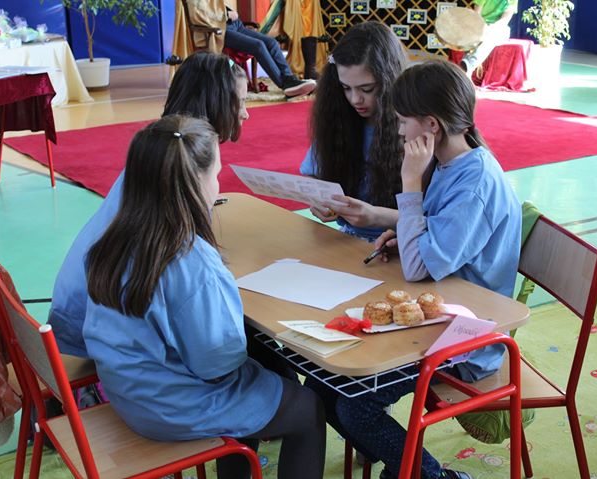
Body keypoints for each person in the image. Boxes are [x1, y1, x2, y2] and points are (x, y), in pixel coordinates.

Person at [83, 115, 326, 479]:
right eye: (216, 173)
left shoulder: (114, 239)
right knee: (307, 409)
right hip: (169, 407)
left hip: (127, 391)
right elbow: (217, 367)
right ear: (196, 182)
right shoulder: (190, 259)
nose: (218, 182)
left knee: (259, 375)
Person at [333, 60, 522, 479]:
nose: (399, 131)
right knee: (325, 386)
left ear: (431, 125)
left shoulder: (472, 182)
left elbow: (419, 269)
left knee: (353, 405)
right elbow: (435, 235)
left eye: (403, 121)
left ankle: (432, 476)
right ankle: (408, 469)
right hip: (438, 319)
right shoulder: (456, 162)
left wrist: (410, 182)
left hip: (466, 340)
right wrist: (402, 232)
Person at [49, 52, 249, 357]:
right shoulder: (182, 167)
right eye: (241, 102)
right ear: (218, 103)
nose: (246, 114)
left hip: (87, 315)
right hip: (93, 332)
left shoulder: (161, 150)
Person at [299, 21, 405, 242]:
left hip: (401, 243)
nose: (355, 99)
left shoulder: (413, 126)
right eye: (346, 88)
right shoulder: (339, 118)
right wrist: (319, 200)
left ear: (389, 82)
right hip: (349, 239)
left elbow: (436, 221)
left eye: (367, 89)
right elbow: (313, 174)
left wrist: (376, 217)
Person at [225, 4, 316, 98]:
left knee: (272, 42)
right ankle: (285, 85)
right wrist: (227, 15)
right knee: (259, 46)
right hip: (223, 30)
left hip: (236, 24)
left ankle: (289, 78)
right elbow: (213, 15)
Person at [460, 0, 518, 76]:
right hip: (481, 25)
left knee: (493, 34)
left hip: (499, 28)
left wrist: (491, 28)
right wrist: (482, 28)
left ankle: (469, 64)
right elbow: (476, 15)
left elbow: (505, 20)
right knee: (473, 32)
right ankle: (467, 69)